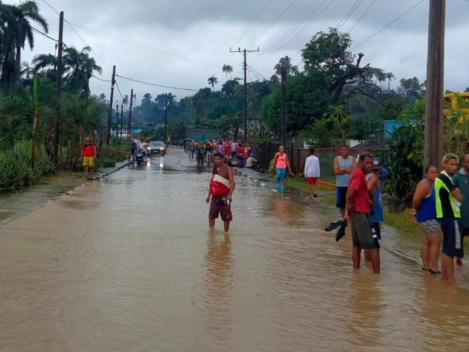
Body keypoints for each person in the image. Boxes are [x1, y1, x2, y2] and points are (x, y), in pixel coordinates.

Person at [345, 153, 380, 274]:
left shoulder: (355, 173)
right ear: (360, 162)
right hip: (362, 213)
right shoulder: (359, 175)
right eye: (367, 163)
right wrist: (349, 206)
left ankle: (356, 272)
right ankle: (377, 277)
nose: (369, 165)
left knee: (357, 245)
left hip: (356, 213)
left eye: (371, 163)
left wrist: (349, 212)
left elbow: (351, 194)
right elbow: (350, 194)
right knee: (375, 246)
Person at [435, 154, 464, 284]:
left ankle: (445, 277)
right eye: (451, 164)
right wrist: (457, 191)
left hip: (446, 217)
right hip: (451, 217)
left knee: (447, 249)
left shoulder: (446, 178)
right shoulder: (443, 178)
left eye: (456, 165)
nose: (454, 167)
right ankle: (451, 280)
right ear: (444, 164)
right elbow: (459, 196)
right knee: (451, 250)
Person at [410, 166, 441, 274]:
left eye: (436, 172)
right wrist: (417, 210)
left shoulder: (436, 184)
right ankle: (434, 268)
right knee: (436, 243)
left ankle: (426, 267)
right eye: (432, 172)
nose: (434, 174)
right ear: (426, 174)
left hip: (433, 217)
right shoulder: (424, 184)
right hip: (428, 217)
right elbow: (416, 199)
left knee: (427, 242)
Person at [364, 158, 388, 262]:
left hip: (370, 216)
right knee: (375, 243)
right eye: (374, 170)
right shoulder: (373, 180)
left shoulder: (367, 177)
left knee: (367, 242)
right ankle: (374, 267)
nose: (376, 172)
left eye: (377, 170)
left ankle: (368, 264)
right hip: (372, 216)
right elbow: (369, 194)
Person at [206, 152, 236, 232]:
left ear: (223, 159)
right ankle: (211, 232)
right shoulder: (215, 169)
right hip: (215, 196)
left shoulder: (228, 169)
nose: (217, 161)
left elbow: (233, 183)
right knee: (211, 215)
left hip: (225, 197)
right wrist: (209, 195)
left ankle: (226, 234)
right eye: (215, 159)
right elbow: (213, 182)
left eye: (219, 159)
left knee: (226, 216)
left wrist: (230, 195)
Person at [452, 153, 469, 266]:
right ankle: (458, 259)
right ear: (462, 163)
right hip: (461, 213)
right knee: (459, 239)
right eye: (468, 162)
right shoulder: (457, 177)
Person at [334, 146, 357, 218]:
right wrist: (349, 170)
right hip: (340, 185)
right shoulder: (337, 159)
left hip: (351, 185)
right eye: (343, 149)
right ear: (340, 151)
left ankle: (350, 217)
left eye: (346, 149)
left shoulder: (352, 159)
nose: (345, 151)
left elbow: (355, 170)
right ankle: (343, 218)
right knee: (341, 203)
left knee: (351, 202)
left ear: (349, 150)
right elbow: (336, 171)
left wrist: (343, 169)